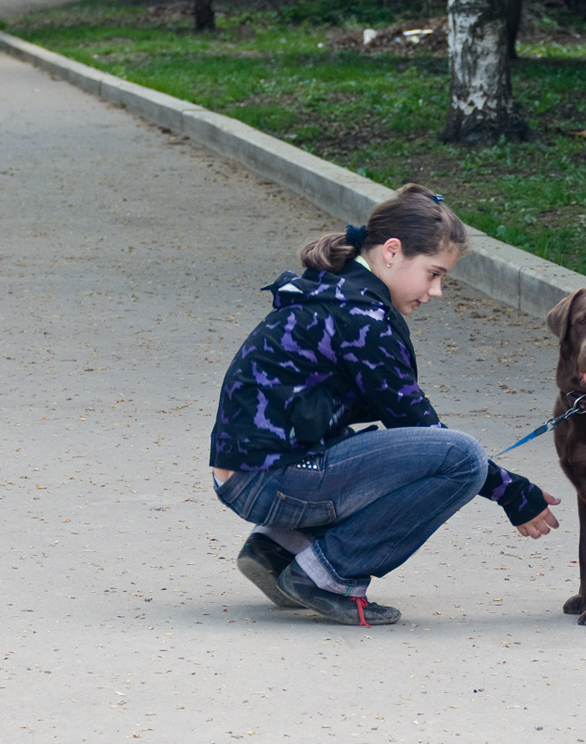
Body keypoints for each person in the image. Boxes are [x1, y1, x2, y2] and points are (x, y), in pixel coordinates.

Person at [209, 184, 560, 627]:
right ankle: (327, 575)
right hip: (269, 481)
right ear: (392, 252)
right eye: (433, 274)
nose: (436, 292)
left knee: (399, 449)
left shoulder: (338, 290)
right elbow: (423, 427)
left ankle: (280, 547)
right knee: (463, 459)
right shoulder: (364, 318)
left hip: (250, 475)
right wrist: (513, 493)